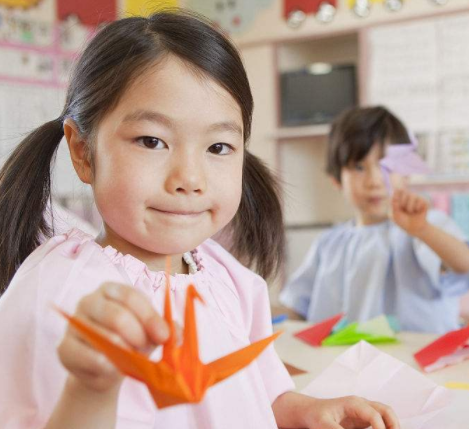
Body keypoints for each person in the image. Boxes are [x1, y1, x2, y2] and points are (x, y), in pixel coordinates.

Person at [0, 10, 399, 429]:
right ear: (83, 152)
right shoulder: (61, 289)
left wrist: (306, 411)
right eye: (152, 141)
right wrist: (91, 390)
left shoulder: (229, 278)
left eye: (219, 147)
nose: (189, 179)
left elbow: (259, 395)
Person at [279, 106, 469, 334]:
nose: (375, 181)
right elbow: (296, 307)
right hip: (344, 363)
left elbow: (463, 265)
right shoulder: (328, 243)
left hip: (414, 364)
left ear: (406, 173)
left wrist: (422, 230)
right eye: (359, 167)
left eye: (387, 167)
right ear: (337, 180)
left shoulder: (426, 227)